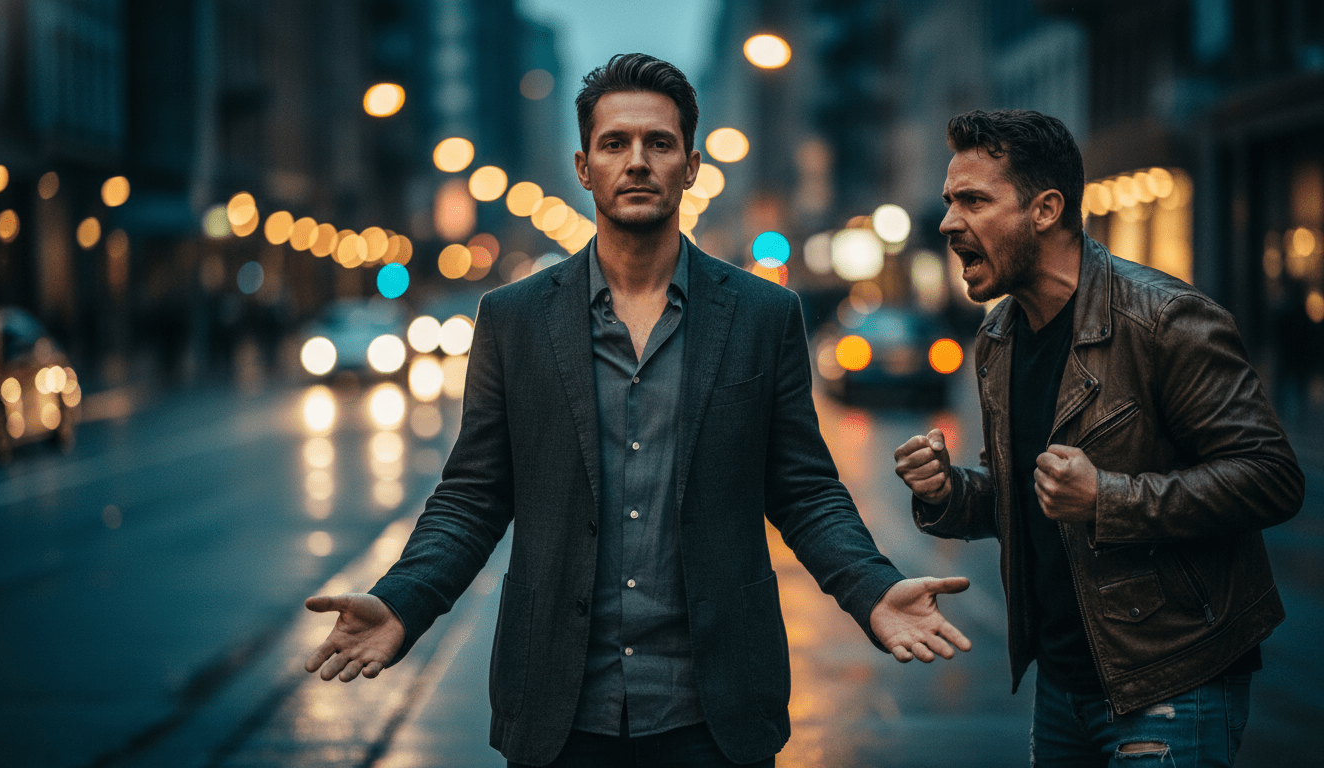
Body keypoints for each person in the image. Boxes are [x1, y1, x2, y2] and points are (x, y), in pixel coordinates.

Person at [304, 53, 973, 768]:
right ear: (584, 165)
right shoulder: (515, 318)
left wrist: (874, 591)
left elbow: (804, 491)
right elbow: (473, 496)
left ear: (689, 164)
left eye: (659, 143)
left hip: (715, 711)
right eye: (614, 143)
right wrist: (402, 602)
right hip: (559, 708)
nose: (637, 162)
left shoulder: (762, 315)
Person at [894, 108, 1303, 766]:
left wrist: (1107, 498)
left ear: (1046, 209)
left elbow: (1271, 478)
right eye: (949, 202)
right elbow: (1025, 497)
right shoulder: (998, 337)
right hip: (1063, 683)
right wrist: (950, 493)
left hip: (1174, 678)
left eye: (973, 200)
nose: (947, 223)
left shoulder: (1166, 320)